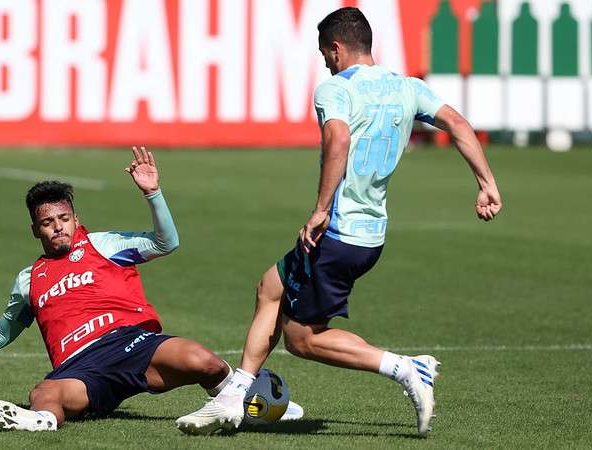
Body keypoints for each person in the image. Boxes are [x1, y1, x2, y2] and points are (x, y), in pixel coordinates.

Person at [177, 7, 502, 437]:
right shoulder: (409, 88)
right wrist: (487, 183)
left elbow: (339, 137)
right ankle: (234, 395)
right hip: (371, 234)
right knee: (269, 288)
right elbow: (458, 124)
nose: (326, 62)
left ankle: (407, 368)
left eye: (325, 54)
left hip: (338, 232)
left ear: (336, 47)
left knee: (303, 339)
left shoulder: (335, 89)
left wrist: (321, 208)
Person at [0, 147, 237, 431]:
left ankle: (241, 402)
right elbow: (4, 331)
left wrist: (152, 193)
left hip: (131, 345)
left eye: (63, 218)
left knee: (202, 360)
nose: (57, 227)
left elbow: (168, 243)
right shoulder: (29, 279)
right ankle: (41, 421)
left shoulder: (103, 244)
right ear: (36, 230)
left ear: (75, 218)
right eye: (48, 223)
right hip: (79, 369)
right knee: (44, 393)